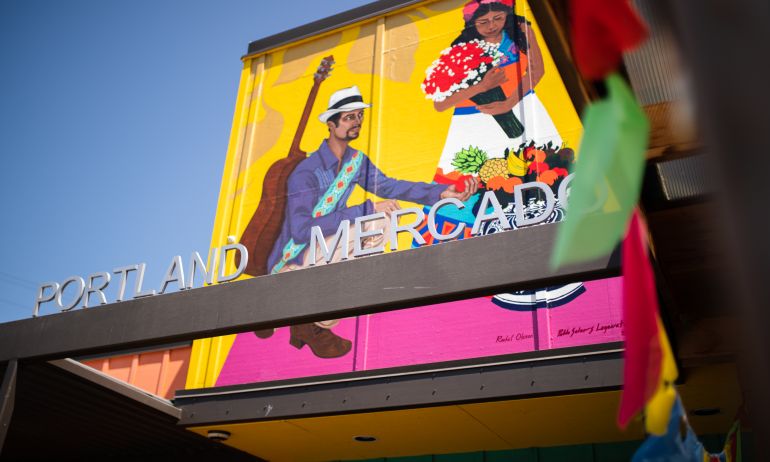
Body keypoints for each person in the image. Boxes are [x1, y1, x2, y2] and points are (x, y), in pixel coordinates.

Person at [256, 85, 478, 359]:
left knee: (384, 220)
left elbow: (390, 186)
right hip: (294, 260)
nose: (357, 123)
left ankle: (314, 317)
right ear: (331, 123)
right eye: (350, 117)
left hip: (326, 249)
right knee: (374, 218)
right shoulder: (306, 173)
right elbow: (303, 231)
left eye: (359, 116)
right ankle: (308, 319)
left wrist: (440, 192)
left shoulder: (355, 162)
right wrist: (365, 208)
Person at [432, 0, 562, 176]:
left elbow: (537, 70)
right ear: (472, 23)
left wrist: (508, 103)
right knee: (478, 180)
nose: (492, 26)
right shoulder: (461, 50)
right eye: (483, 22)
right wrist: (481, 86)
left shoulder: (521, 30)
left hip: (523, 104)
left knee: (548, 167)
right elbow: (440, 104)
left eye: (498, 18)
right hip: (474, 119)